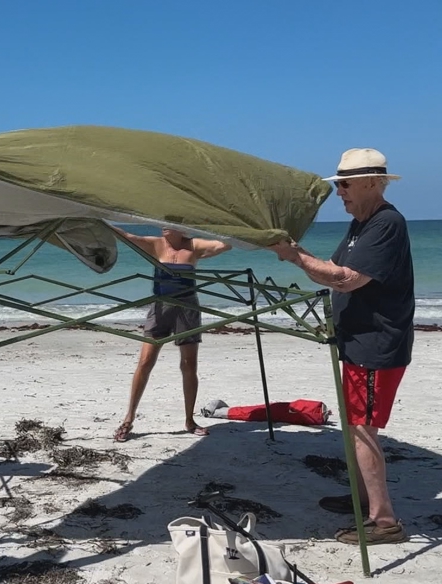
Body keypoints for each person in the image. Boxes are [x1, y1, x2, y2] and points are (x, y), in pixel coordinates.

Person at [267, 148, 414, 545]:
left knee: (363, 429)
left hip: (375, 346)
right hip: (357, 342)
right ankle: (364, 501)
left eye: (345, 185)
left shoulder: (386, 224)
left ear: (371, 182)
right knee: (355, 426)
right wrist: (297, 254)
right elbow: (330, 273)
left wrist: (294, 254)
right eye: (339, 185)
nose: (340, 193)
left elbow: (347, 279)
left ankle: (384, 522)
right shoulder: (360, 225)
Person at [112, 227, 231, 442]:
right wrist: (101, 222)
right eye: (161, 222)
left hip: (187, 307)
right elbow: (128, 237)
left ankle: (189, 420)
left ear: (181, 227)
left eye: (169, 222)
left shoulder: (193, 245)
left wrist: (236, 232)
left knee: (188, 364)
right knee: (146, 361)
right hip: (160, 306)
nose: (163, 226)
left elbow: (223, 245)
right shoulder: (156, 244)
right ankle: (128, 418)